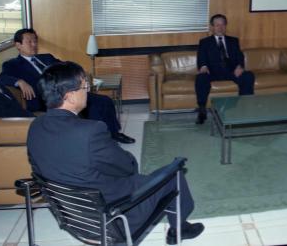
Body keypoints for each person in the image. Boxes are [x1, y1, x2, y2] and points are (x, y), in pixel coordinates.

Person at [27, 61, 204, 244]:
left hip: (74, 217)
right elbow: (126, 167)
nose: (87, 90)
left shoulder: (35, 127)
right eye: (84, 86)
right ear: (70, 96)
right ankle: (180, 229)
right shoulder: (90, 131)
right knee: (174, 174)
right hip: (113, 217)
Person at [1, 28, 135, 144]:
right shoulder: (12, 65)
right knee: (91, 106)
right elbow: (0, 77)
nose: (34, 44)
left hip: (67, 93)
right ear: (18, 45)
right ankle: (97, 140)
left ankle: (114, 133)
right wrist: (19, 81)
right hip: (46, 99)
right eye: (29, 41)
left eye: (35, 41)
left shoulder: (46, 57)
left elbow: (66, 66)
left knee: (105, 101)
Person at [195, 14, 255, 124]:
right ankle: (202, 110)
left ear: (225, 26)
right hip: (212, 72)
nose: (220, 27)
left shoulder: (233, 41)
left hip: (230, 71)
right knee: (200, 78)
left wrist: (239, 67)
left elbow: (239, 56)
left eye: (222, 25)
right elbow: (201, 57)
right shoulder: (205, 42)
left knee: (248, 76)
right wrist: (203, 67)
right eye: (217, 25)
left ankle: (244, 106)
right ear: (212, 27)